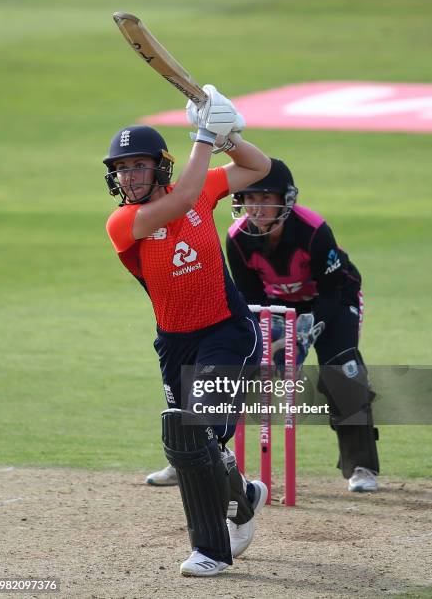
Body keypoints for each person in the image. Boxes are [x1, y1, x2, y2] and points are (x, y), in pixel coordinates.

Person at [104, 85, 271, 577]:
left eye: (138, 165)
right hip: (174, 343)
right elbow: (180, 204)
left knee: (198, 441)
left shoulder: (202, 187)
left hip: (226, 332)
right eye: (121, 169)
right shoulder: (123, 222)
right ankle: (245, 498)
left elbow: (258, 168)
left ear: (161, 165)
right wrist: (204, 132)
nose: (128, 176)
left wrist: (228, 135)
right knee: (187, 443)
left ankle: (211, 551)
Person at [226, 158, 380, 493]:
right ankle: (202, 457)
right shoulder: (237, 238)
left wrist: (308, 332)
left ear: (287, 199)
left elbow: (332, 289)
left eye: (266, 198)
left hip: (335, 299)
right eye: (250, 199)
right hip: (279, 303)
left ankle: (362, 466)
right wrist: (275, 341)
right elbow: (251, 296)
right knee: (242, 365)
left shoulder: (313, 230)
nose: (257, 207)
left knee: (342, 369)